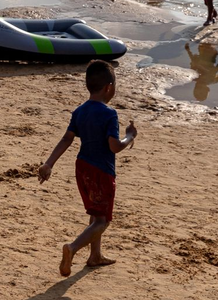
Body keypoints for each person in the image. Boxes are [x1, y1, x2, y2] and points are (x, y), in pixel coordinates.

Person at [38, 60, 137, 278]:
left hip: (82, 167)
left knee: (95, 212)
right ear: (109, 87)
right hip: (101, 171)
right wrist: (129, 136)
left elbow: (67, 139)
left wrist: (49, 163)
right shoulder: (109, 114)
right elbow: (114, 146)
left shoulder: (80, 111)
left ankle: (95, 256)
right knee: (103, 221)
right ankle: (72, 248)